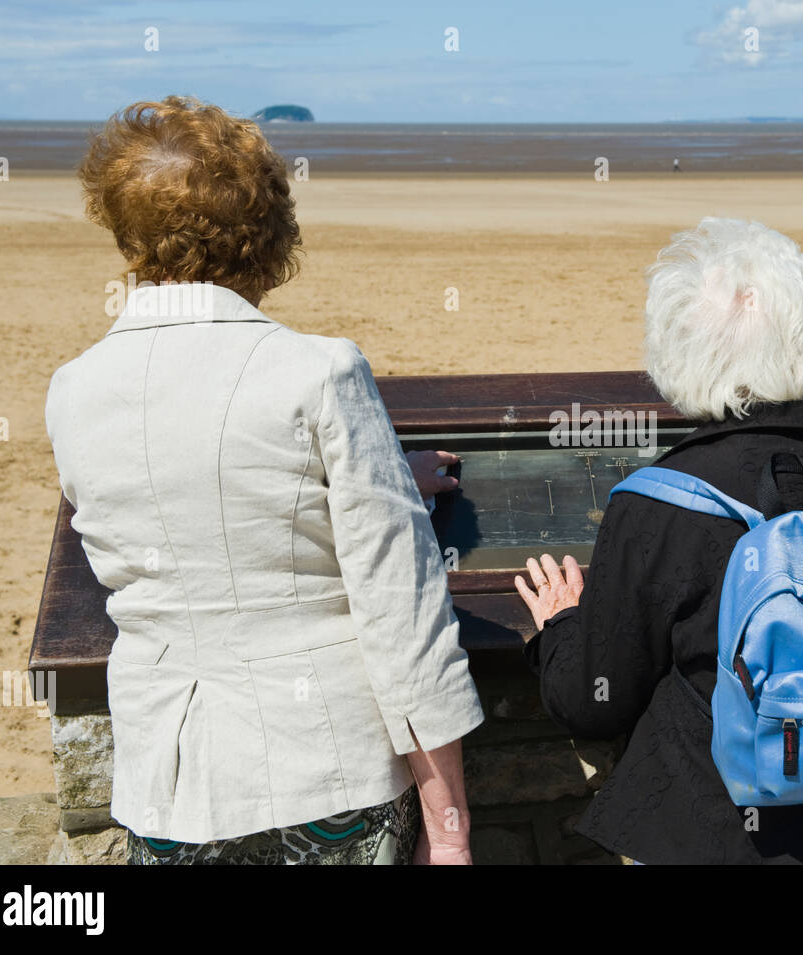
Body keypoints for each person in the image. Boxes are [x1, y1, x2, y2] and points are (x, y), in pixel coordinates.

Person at [46, 97, 482, 865]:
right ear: (266, 230)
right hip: (325, 776)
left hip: (166, 792)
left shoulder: (72, 391)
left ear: (124, 228)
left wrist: (381, 478)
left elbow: (192, 513)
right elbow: (401, 613)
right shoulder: (321, 372)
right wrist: (448, 828)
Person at [515, 217, 803, 864]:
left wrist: (559, 628)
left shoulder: (655, 504)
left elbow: (595, 702)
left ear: (676, 352)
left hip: (712, 839)